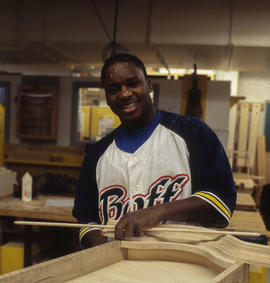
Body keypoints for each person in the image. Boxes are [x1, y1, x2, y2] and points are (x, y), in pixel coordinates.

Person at [73, 53, 236, 248]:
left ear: (148, 85)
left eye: (133, 83)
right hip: (116, 269)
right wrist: (102, 251)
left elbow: (221, 201)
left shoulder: (193, 133)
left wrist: (158, 211)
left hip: (181, 266)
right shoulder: (96, 154)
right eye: (114, 89)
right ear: (107, 98)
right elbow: (86, 218)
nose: (125, 94)